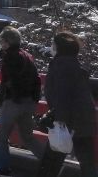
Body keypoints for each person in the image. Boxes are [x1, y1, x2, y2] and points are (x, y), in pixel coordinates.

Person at [0, 26, 45, 176]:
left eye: (2, 40)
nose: (0, 43)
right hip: (29, 102)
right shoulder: (27, 55)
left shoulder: (10, 56)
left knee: (1, 137)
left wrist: (3, 91)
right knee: (28, 137)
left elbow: (12, 80)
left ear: (8, 41)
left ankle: (2, 168)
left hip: (14, 101)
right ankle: (50, 164)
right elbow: (36, 80)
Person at [36, 32, 97, 177]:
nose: (51, 47)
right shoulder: (74, 64)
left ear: (59, 48)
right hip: (84, 118)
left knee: (52, 160)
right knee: (87, 161)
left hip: (68, 120)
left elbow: (62, 94)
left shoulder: (60, 66)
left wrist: (59, 121)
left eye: (53, 44)